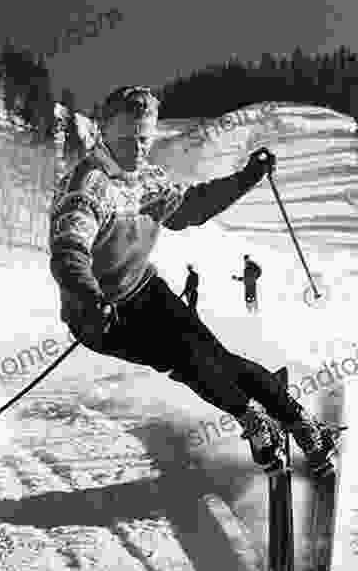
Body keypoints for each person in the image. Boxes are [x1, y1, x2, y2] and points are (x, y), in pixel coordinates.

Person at [49, 86, 341, 476]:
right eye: (127, 138)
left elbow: (191, 207)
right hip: (100, 316)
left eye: (144, 139)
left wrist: (247, 178)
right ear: (105, 131)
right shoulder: (87, 187)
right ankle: (257, 419)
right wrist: (89, 296)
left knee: (214, 358)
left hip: (144, 291)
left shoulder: (148, 179)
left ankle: (299, 424)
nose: (137, 149)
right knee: (191, 361)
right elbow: (69, 250)